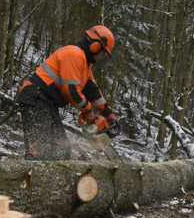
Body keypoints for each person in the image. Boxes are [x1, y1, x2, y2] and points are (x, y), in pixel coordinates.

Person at [15, 26, 121, 160]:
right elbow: (70, 91)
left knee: (61, 151)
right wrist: (88, 111)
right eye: (103, 53)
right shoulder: (73, 54)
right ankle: (31, 171)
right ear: (96, 45)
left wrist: (109, 113)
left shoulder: (85, 64)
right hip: (35, 98)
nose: (102, 57)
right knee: (39, 151)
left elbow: (92, 91)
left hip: (47, 104)